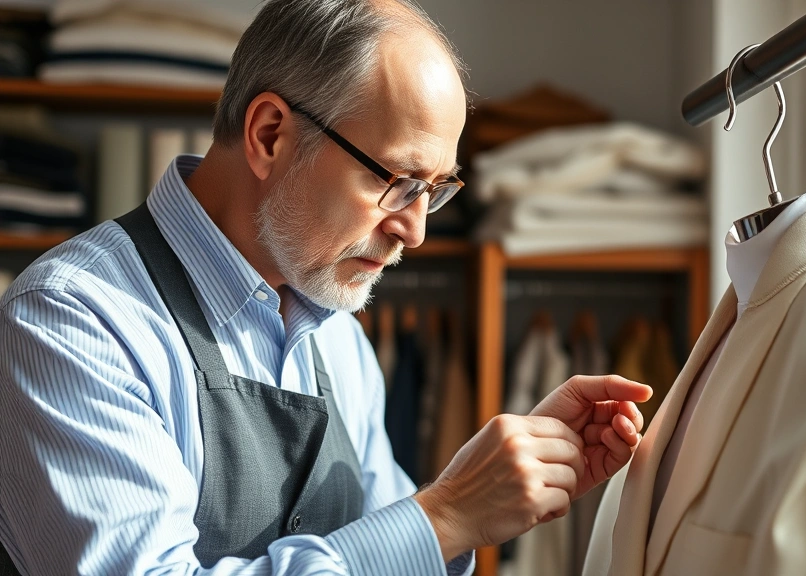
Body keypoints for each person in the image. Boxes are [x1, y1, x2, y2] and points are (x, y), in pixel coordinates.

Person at [0, 1, 651, 574]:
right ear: (270, 135)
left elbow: (398, 548)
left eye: (434, 190)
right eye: (397, 181)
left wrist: (491, 493)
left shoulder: (340, 342)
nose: (416, 230)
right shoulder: (70, 322)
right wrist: (448, 515)